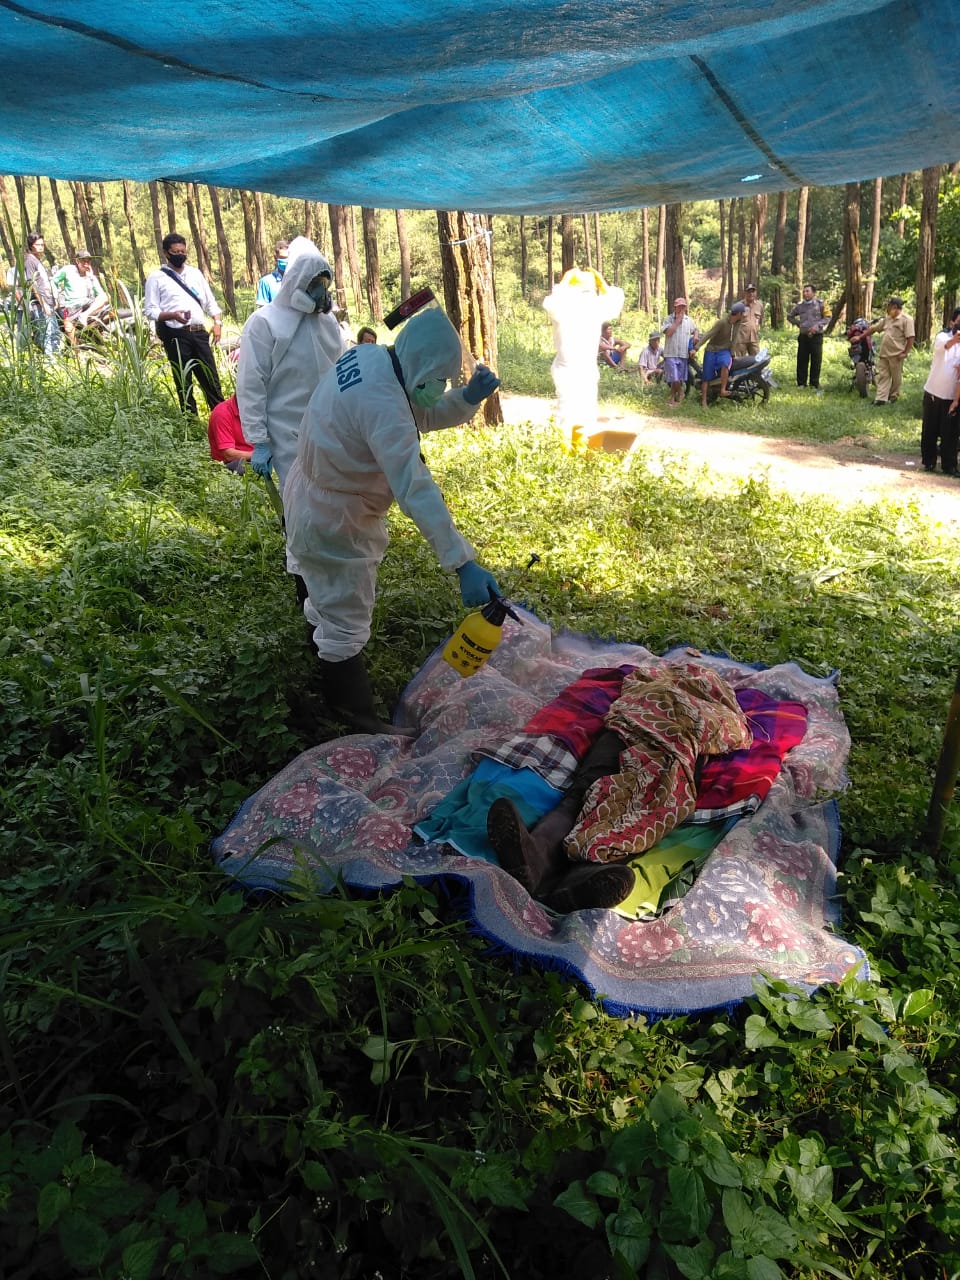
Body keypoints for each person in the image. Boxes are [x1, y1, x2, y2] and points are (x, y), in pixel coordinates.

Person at [283, 306, 502, 734]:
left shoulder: (373, 359)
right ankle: (355, 720)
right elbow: (414, 486)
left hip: (313, 492)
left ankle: (320, 664)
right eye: (440, 378)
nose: (441, 386)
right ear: (421, 366)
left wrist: (467, 398)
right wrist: (462, 562)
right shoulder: (384, 403)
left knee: (323, 597)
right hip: (336, 518)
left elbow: (417, 409)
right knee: (345, 617)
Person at [237, 236, 345, 495]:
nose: (320, 291)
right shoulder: (264, 323)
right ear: (296, 281)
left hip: (330, 426)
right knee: (297, 496)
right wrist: (259, 440)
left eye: (324, 284)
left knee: (334, 495)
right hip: (287, 431)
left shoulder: (327, 322)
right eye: (314, 284)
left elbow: (343, 369)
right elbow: (251, 385)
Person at [543, 267, 625, 449]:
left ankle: (570, 450)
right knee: (578, 413)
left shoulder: (565, 306)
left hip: (575, 368)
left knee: (573, 413)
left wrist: (563, 284)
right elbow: (615, 300)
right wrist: (604, 285)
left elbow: (550, 302)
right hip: (576, 368)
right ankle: (574, 450)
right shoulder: (592, 308)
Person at [143, 233, 224, 415]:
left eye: (183, 251)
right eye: (175, 252)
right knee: (183, 380)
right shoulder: (156, 278)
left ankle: (221, 419)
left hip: (199, 333)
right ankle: (191, 421)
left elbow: (210, 302)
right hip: (175, 335)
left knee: (211, 378)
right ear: (166, 253)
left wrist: (217, 322)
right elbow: (150, 310)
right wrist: (172, 315)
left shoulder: (195, 274)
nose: (180, 254)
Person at [920, 308, 960, 475]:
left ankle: (949, 466)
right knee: (930, 429)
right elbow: (942, 347)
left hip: (952, 397)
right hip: (933, 393)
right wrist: (954, 340)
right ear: (952, 322)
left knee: (950, 434)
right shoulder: (942, 337)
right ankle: (928, 462)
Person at [51, 248, 109, 348]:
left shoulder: (91, 276)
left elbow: (101, 294)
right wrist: (55, 297)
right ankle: (76, 352)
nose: (86, 264)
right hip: (71, 308)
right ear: (78, 261)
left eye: (88, 261)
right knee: (68, 326)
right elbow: (53, 281)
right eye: (83, 261)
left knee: (106, 297)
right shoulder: (68, 270)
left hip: (87, 307)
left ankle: (86, 319)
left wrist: (90, 278)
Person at [16, 231, 60, 357]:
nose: (41, 247)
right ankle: (50, 359)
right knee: (47, 332)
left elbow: (44, 282)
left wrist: (53, 299)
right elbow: (32, 283)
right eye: (38, 245)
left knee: (54, 331)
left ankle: (55, 358)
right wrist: (43, 303)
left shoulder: (38, 261)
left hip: (48, 301)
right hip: (40, 304)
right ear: (31, 246)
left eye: (42, 244)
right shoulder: (30, 260)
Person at [866, 296, 915, 406]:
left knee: (896, 376)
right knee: (883, 375)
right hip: (884, 353)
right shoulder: (887, 319)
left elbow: (910, 337)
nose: (887, 309)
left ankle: (893, 396)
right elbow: (874, 329)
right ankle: (881, 398)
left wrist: (905, 353)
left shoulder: (907, 320)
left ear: (894, 307)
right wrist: (860, 337)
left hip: (897, 354)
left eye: (888, 307)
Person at [698, 302, 746, 407]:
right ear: (738, 313)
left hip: (724, 350)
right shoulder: (722, 322)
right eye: (743, 313)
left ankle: (723, 390)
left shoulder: (738, 323)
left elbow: (734, 340)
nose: (744, 314)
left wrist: (732, 354)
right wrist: (696, 347)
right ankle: (704, 400)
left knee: (725, 364)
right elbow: (709, 334)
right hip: (711, 349)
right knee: (706, 376)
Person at [787, 284, 829, 392]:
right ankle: (801, 383)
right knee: (802, 360)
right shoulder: (800, 305)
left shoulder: (821, 304)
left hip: (816, 337)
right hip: (804, 336)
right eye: (804, 291)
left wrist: (817, 326)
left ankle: (814, 384)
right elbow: (790, 316)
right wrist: (798, 324)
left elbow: (828, 317)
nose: (805, 293)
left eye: (807, 291)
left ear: (813, 293)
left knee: (816, 360)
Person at [661, 297, 698, 406]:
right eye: (679, 306)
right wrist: (677, 322)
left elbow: (695, 329)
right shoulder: (668, 319)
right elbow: (668, 333)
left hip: (683, 353)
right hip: (671, 352)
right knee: (674, 376)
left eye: (683, 306)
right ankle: (681, 394)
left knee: (679, 378)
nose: (681, 309)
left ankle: (672, 398)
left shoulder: (689, 320)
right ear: (675, 307)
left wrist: (695, 335)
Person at [208, 394, 254, 474]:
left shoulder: (256, 409)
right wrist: (258, 455)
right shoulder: (222, 413)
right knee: (242, 469)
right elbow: (229, 455)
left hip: (254, 458)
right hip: (231, 464)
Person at [255, 239, 290, 308]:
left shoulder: (299, 281)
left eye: (289, 258)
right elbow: (262, 312)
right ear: (275, 258)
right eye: (283, 258)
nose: (287, 261)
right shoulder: (266, 282)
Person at [732, 282, 763, 358]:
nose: (751, 294)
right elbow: (731, 322)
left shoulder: (759, 305)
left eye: (753, 291)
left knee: (757, 360)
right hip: (741, 340)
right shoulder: (738, 306)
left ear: (755, 292)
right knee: (740, 361)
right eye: (749, 291)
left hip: (754, 339)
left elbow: (761, 320)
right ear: (745, 293)